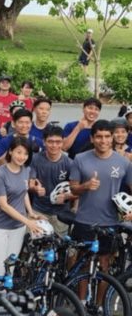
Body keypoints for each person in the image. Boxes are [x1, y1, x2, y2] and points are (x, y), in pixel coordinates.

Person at [69, 120, 132, 306]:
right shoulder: (80, 158)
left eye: (107, 136)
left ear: (113, 137)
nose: (103, 140)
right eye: (99, 136)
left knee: (104, 266)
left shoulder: (123, 162)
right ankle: (80, 303)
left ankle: (98, 305)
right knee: (83, 264)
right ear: (92, 138)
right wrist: (85, 186)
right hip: (84, 220)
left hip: (109, 221)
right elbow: (73, 189)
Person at [0, 137, 42, 290]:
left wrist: (30, 212)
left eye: (25, 154)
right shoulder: (0, 174)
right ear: (10, 151)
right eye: (18, 152)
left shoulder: (26, 170)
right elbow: (4, 205)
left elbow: (24, 192)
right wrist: (27, 222)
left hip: (17, 227)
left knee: (10, 266)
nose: (22, 157)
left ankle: (5, 301)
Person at [29, 125, 76, 236]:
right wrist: (35, 188)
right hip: (39, 211)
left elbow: (76, 189)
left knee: (60, 247)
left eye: (58, 142)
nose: (54, 145)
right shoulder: (35, 159)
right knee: (37, 246)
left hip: (61, 213)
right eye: (50, 141)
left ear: (62, 142)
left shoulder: (70, 163)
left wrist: (67, 197)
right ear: (44, 142)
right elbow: (29, 184)